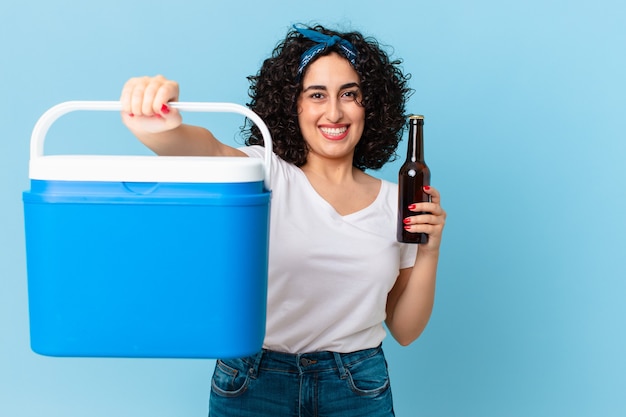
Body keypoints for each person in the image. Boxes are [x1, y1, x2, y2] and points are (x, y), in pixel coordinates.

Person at [120, 23, 446, 417]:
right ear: (294, 105)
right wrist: (159, 121)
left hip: (356, 386)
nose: (334, 112)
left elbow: (405, 331)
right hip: (253, 381)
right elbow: (202, 149)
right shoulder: (264, 172)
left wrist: (429, 253)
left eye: (350, 94)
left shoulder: (397, 201)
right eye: (317, 95)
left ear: (370, 105)